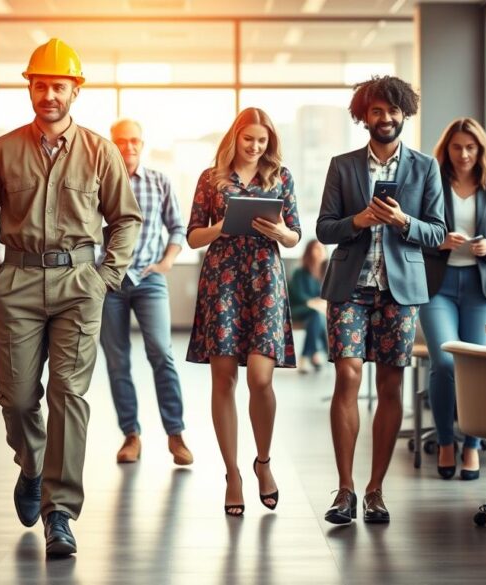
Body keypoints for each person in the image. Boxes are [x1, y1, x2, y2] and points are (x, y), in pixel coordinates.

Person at [0, 38, 141, 557]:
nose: (49, 94)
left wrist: (108, 277)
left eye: (58, 85)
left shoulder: (100, 152)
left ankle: (59, 511)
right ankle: (34, 466)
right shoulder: (2, 150)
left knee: (68, 395)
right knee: (17, 398)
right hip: (16, 282)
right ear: (31, 88)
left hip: (78, 286)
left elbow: (124, 219)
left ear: (75, 90)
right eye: (40, 85)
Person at [316, 75, 446, 525]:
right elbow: (324, 229)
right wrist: (359, 219)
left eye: (393, 110)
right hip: (349, 287)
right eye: (376, 111)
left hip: (400, 290)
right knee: (347, 377)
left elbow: (437, 232)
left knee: (390, 385)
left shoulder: (425, 167)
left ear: (403, 113)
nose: (385, 118)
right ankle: (345, 490)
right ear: (363, 116)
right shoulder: (343, 165)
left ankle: (376, 490)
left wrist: (402, 220)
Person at [187, 107, 301, 517]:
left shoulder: (281, 177)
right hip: (223, 280)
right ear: (234, 137)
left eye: (262, 141)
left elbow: (294, 236)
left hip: (265, 281)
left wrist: (280, 232)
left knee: (259, 377)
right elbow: (193, 236)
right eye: (248, 139)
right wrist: (223, 226)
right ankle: (232, 474)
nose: (255, 147)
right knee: (223, 379)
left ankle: (263, 462)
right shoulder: (210, 178)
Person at [419, 117, 486, 480]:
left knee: (476, 366)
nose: (463, 154)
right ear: (446, 149)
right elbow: (410, 232)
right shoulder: (430, 183)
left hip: (483, 288)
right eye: (457, 147)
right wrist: (437, 240)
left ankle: (472, 446)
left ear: (480, 150)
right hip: (438, 286)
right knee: (445, 364)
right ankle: (446, 441)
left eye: (471, 147)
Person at [100, 118, 193, 466]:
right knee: (117, 360)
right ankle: (131, 435)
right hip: (109, 282)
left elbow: (177, 228)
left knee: (161, 353)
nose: (128, 147)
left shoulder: (159, 182)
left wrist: (168, 262)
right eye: (122, 141)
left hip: (150, 279)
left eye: (134, 140)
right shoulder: (99, 184)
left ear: (143, 143)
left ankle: (176, 434)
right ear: (112, 144)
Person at [288, 239, 328, 373]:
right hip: (298, 309)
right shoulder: (300, 272)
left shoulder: (327, 273)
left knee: (316, 317)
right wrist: (314, 303)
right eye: (316, 248)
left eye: (322, 249)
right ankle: (314, 354)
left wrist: (321, 304)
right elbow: (298, 295)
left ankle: (310, 354)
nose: (320, 251)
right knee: (317, 314)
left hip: (316, 312)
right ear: (309, 251)